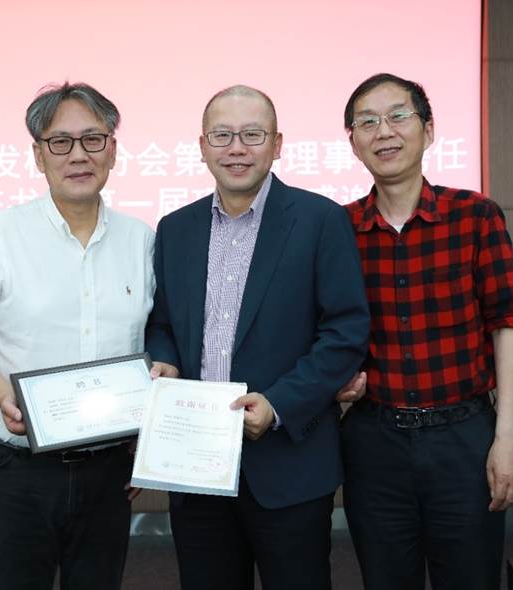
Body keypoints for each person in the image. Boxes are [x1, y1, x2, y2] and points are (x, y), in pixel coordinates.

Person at [145, 85, 369, 590]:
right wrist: (166, 361)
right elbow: (162, 325)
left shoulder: (320, 220)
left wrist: (279, 404)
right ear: (202, 145)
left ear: (277, 144)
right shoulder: (175, 228)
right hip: (196, 465)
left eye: (252, 134)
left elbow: (345, 331)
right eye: (222, 135)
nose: (237, 148)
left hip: (289, 463)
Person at [0, 82, 154, 590]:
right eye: (60, 142)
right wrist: (4, 396)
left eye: (93, 139)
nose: (78, 155)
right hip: (18, 467)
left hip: (109, 468)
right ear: (39, 155)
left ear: (113, 149)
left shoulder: (141, 240)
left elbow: (149, 345)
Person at [339, 73, 513, 590]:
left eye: (398, 116)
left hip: (464, 438)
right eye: (367, 122)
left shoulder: (476, 216)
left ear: (428, 130)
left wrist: (508, 439)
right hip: (374, 442)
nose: (384, 132)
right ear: (353, 142)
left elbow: (509, 324)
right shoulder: (338, 229)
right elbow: (323, 332)